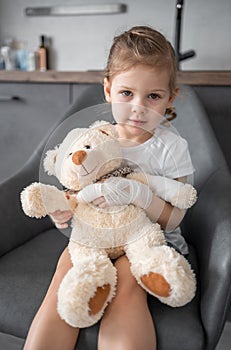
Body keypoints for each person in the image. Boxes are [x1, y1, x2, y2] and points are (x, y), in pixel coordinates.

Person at [23, 25, 195, 350]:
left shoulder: (171, 148)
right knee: (64, 274)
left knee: (128, 285)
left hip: (145, 240)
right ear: (108, 89)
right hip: (94, 236)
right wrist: (63, 212)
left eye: (153, 96)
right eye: (127, 93)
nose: (137, 107)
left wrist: (140, 194)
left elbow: (174, 220)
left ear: (170, 97)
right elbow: (74, 191)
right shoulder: (95, 139)